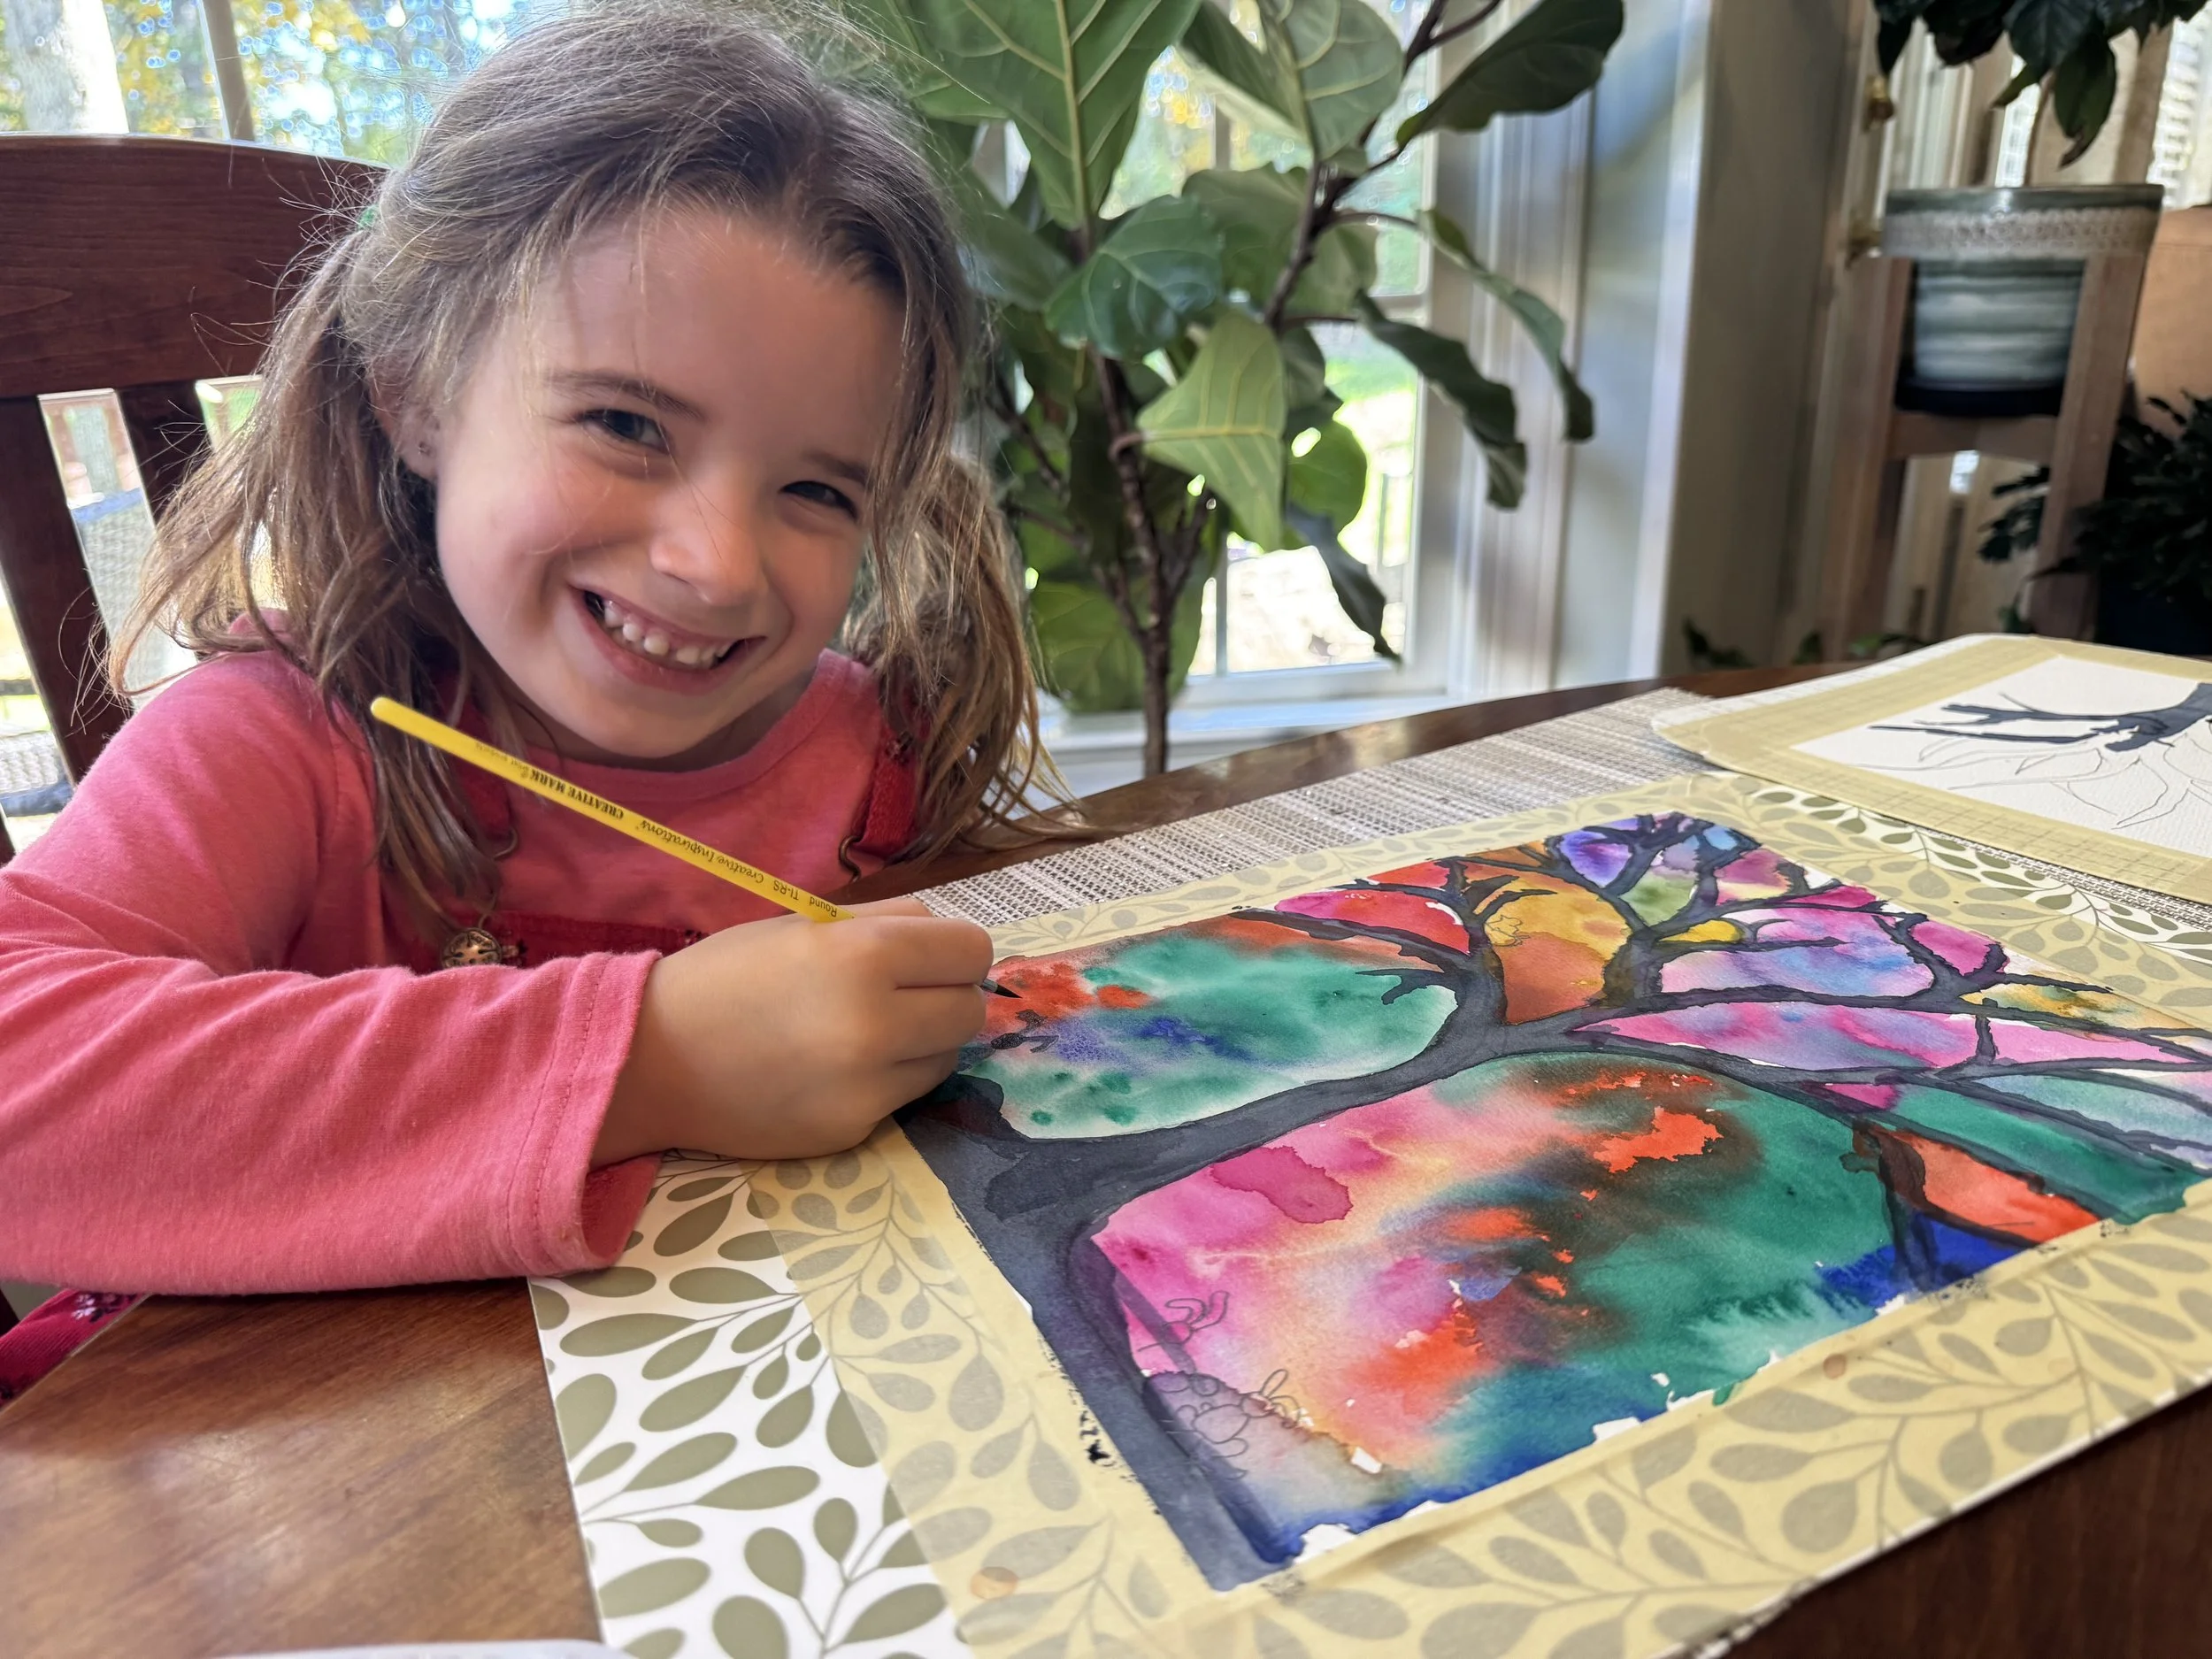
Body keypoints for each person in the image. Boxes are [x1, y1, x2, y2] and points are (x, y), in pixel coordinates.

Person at [0, 2, 1054, 1391]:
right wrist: (651, 1061)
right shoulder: (288, 740)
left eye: (815, 489)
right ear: (415, 393)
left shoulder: (882, 759)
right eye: (626, 424)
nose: (717, 564)